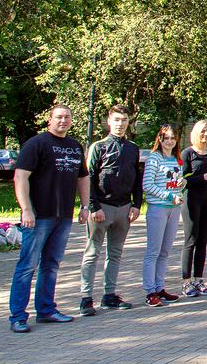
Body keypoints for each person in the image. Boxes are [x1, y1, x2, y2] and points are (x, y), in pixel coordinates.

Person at [8, 104, 91, 333]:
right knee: (27, 266)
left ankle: (46, 310)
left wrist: (85, 206)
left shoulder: (74, 146)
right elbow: (20, 177)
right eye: (59, 117)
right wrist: (26, 209)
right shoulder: (36, 144)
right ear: (50, 119)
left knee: (51, 265)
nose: (63, 121)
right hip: (38, 217)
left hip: (63, 216)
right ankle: (18, 316)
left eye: (67, 117)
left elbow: (83, 178)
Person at [78, 104, 141, 315]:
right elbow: (88, 178)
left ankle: (109, 295)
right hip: (101, 208)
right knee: (92, 252)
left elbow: (136, 178)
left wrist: (136, 204)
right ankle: (86, 298)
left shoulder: (132, 148)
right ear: (109, 121)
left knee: (115, 254)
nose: (120, 124)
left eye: (124, 120)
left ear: (128, 122)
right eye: (116, 120)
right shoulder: (98, 147)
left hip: (124, 208)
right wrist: (93, 206)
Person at [141, 125, 185, 307]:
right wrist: (168, 196)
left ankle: (160, 288)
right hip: (158, 208)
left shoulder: (175, 159)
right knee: (153, 251)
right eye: (166, 138)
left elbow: (175, 182)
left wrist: (182, 183)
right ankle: (150, 291)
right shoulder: (154, 158)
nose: (169, 141)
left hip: (174, 208)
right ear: (160, 139)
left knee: (165, 251)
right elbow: (147, 185)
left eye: (173, 138)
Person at [180, 120, 207, 297]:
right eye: (203, 131)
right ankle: (186, 282)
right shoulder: (188, 153)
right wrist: (202, 177)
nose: (206, 134)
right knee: (191, 240)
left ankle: (198, 279)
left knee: (203, 241)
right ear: (196, 132)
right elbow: (182, 180)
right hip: (191, 201)